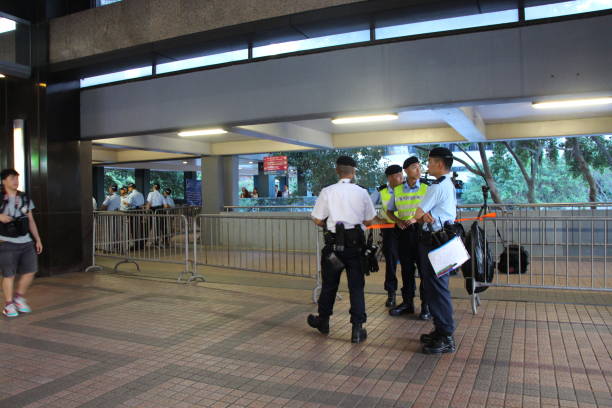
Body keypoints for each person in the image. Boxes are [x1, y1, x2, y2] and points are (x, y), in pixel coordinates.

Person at [307, 156, 378, 343]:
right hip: (356, 248)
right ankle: (357, 329)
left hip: (333, 248)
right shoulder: (362, 192)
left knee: (329, 285)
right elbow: (370, 219)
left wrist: (328, 225)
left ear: (337, 171)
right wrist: (358, 225)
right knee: (356, 287)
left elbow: (316, 218)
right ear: (353, 171)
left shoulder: (328, 191)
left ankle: (323, 322)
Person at [407, 147, 458, 354]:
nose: (426, 166)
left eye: (429, 162)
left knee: (437, 289)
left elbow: (417, 213)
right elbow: (423, 214)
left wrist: (422, 214)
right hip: (442, 239)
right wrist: (424, 214)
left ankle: (446, 336)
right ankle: (440, 330)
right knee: (435, 287)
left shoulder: (436, 186)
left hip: (435, 241)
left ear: (439, 164)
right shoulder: (447, 183)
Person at [386, 157, 431, 320]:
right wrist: (398, 221)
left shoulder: (427, 188)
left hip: (422, 232)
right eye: (414, 167)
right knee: (406, 269)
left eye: (419, 167)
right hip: (404, 234)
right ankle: (407, 303)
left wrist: (416, 219)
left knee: (424, 270)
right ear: (406, 170)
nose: (418, 170)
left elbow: (432, 210)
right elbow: (389, 210)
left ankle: (426, 305)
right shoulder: (397, 190)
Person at [0, 169, 43, 318]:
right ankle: (8, 304)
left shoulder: (24, 197)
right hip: (6, 242)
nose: (15, 181)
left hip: (26, 241)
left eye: (17, 178)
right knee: (9, 274)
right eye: (12, 178)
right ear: (3, 181)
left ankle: (18, 297)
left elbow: (31, 220)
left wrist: (37, 239)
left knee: (30, 271)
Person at [369, 164, 403, 308]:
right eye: (398, 176)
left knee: (409, 264)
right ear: (389, 178)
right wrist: (377, 220)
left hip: (407, 229)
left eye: (401, 175)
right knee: (391, 262)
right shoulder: (382, 191)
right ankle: (391, 294)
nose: (401, 178)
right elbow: (367, 205)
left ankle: (408, 296)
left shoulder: (407, 188)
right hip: (389, 230)